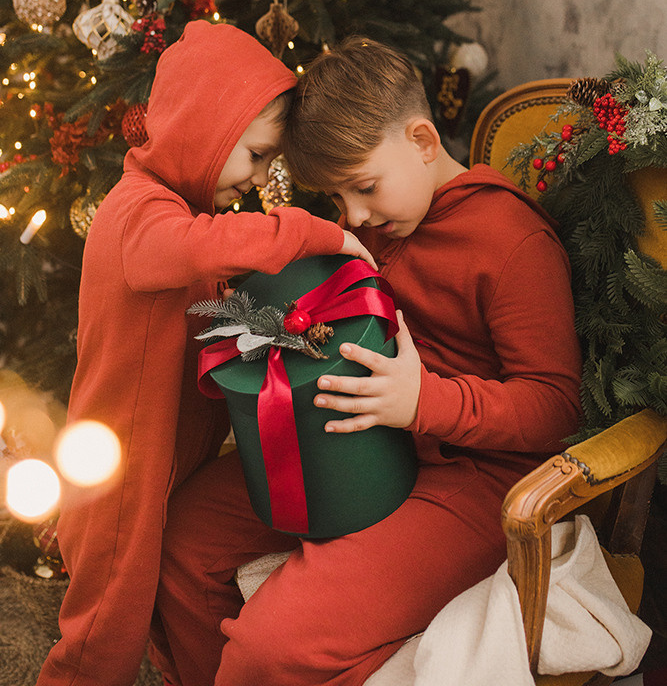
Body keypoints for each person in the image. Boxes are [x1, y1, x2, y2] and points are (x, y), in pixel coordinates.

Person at [154, 36, 583, 686]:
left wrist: (423, 402)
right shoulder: (376, 223)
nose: (353, 216)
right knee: (185, 539)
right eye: (338, 198)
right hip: (366, 437)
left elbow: (555, 410)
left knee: (269, 645)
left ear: (421, 139)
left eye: (363, 187)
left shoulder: (512, 241)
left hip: (474, 479)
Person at [36, 21, 374, 686]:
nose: (253, 180)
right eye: (252, 155)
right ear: (204, 128)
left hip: (165, 468)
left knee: (158, 619)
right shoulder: (140, 213)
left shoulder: (177, 214)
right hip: (118, 481)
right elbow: (198, 249)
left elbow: (211, 317)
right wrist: (315, 231)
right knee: (99, 645)